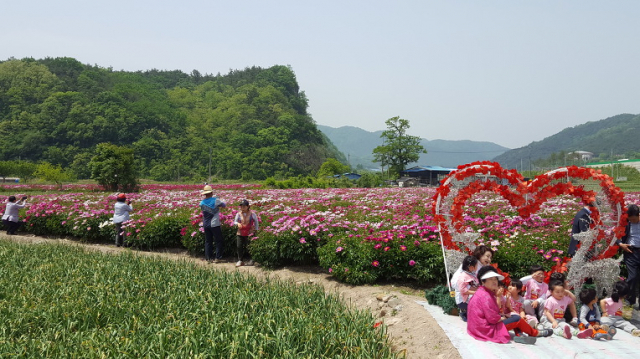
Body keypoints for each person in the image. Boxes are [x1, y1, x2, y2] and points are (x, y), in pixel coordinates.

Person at [467, 266, 552, 345]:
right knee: (517, 318)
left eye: (495, 279)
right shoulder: (486, 296)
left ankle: (520, 335)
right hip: (485, 329)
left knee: (513, 317)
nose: (494, 281)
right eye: (490, 279)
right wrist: (504, 317)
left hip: (476, 327)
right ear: (483, 281)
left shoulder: (482, 292)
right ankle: (535, 333)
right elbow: (493, 319)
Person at [616, 204, 640, 308]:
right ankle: (630, 300)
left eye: (634, 219)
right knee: (632, 277)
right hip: (631, 251)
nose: (633, 221)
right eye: (631, 219)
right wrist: (621, 244)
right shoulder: (625, 222)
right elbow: (615, 235)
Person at [200, 185, 226, 263]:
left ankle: (208, 258)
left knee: (208, 241)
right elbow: (224, 205)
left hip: (206, 224)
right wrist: (220, 200)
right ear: (211, 192)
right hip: (214, 223)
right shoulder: (216, 200)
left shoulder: (201, 203)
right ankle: (218, 257)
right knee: (218, 240)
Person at [233, 199, 259, 267]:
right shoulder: (238, 214)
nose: (242, 208)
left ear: (248, 206)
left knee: (249, 246)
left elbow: (256, 221)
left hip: (249, 232)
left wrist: (256, 229)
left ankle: (252, 259)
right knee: (239, 246)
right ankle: (240, 260)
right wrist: (237, 223)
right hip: (240, 232)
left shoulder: (252, 214)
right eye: (241, 207)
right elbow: (235, 221)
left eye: (244, 206)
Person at [455, 256, 479, 322]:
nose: (477, 267)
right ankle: (464, 313)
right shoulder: (462, 277)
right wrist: (476, 293)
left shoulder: (473, 274)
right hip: (464, 301)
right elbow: (463, 291)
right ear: (471, 267)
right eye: (476, 265)